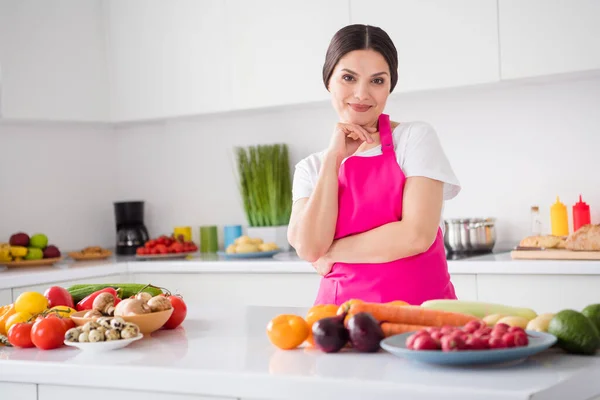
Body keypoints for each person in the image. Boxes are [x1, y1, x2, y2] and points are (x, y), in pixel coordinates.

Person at [287, 24, 461, 306]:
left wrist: (331, 253)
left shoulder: (414, 138)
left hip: (422, 324)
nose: (361, 94)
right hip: (337, 328)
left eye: (377, 81)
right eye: (348, 78)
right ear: (328, 80)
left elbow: (415, 235)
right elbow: (309, 247)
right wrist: (333, 159)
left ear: (390, 86)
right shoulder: (312, 167)